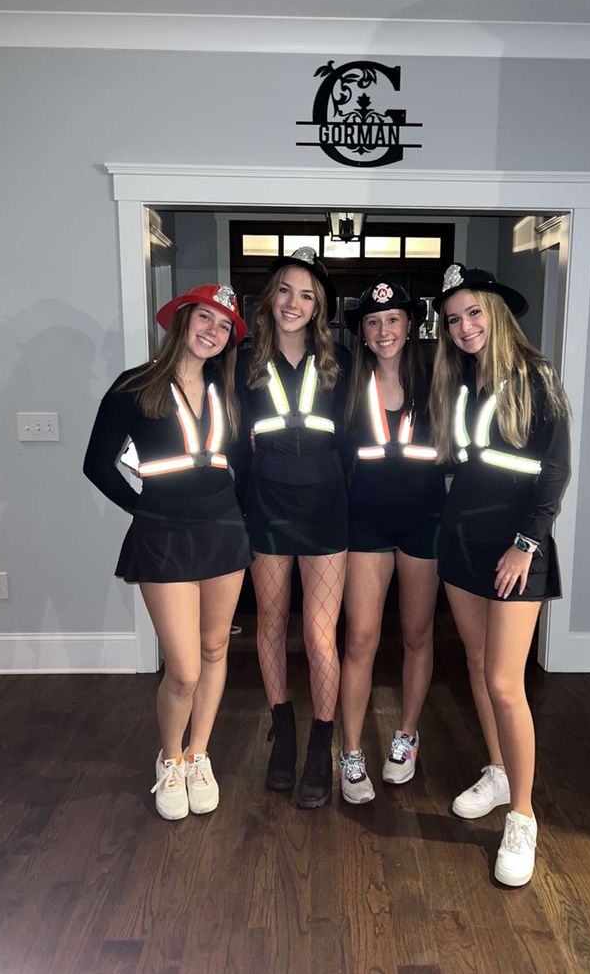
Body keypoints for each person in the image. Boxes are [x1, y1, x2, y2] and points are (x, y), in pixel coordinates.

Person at [83, 284, 250, 821]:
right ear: (181, 319)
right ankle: (170, 757)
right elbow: (97, 463)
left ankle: (199, 754)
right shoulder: (136, 385)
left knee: (215, 650)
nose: (213, 331)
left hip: (224, 531)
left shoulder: (226, 388)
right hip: (165, 535)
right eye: (205, 317)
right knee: (181, 669)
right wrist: (145, 511)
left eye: (224, 327)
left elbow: (239, 460)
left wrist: (234, 510)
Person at [430, 263, 570, 886]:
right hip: (461, 541)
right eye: (454, 319)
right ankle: (497, 770)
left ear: (497, 313)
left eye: (474, 313)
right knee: (475, 663)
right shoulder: (456, 378)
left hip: (517, 547)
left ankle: (522, 815)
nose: (464, 327)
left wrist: (524, 544)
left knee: (504, 681)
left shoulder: (535, 377)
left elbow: (554, 473)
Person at [238, 247, 350, 809]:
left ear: (319, 307)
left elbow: (356, 438)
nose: (294, 303)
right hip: (266, 503)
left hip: (326, 506)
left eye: (307, 295)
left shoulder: (341, 360)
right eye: (286, 290)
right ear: (270, 297)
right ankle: (283, 735)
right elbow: (231, 438)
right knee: (271, 623)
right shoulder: (241, 360)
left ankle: (320, 744)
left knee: (318, 634)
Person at [338, 276, 445, 804]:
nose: (384, 330)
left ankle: (406, 735)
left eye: (393, 320)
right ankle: (351, 750)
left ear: (410, 325)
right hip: (366, 525)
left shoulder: (438, 378)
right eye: (374, 322)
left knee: (417, 635)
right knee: (359, 638)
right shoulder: (346, 385)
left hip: (424, 523)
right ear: (362, 332)